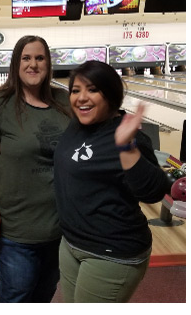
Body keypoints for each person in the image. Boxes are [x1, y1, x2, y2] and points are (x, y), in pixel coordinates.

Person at [54, 61, 169, 303]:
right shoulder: (77, 125)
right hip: (72, 243)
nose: (81, 98)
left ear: (111, 93)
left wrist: (126, 147)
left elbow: (155, 190)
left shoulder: (129, 135)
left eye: (92, 89)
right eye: (75, 90)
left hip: (111, 253)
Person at [0, 35, 71, 302]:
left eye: (39, 58)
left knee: (44, 293)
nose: (33, 64)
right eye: (26, 58)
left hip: (61, 227)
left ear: (48, 63)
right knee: (18, 296)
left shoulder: (64, 101)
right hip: (16, 229)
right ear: (16, 63)